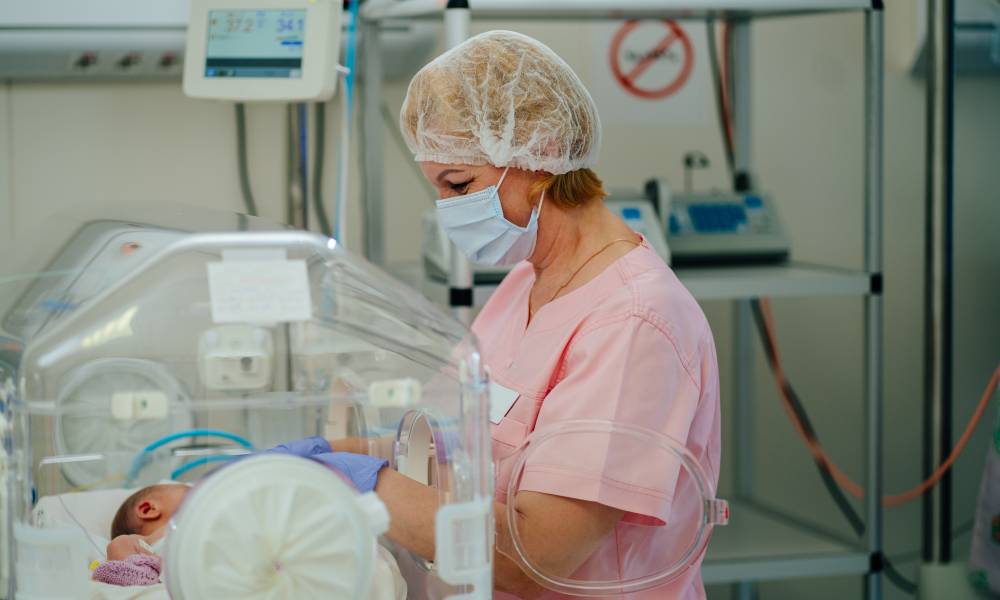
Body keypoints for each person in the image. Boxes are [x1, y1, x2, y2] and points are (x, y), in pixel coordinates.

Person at [321, 30, 722, 599]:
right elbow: (450, 449)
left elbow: (538, 553)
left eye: (460, 184)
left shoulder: (634, 321)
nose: (450, 211)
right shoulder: (521, 287)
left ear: (544, 151)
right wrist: (325, 459)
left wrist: (362, 483)